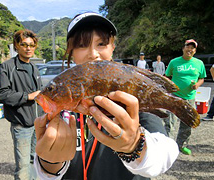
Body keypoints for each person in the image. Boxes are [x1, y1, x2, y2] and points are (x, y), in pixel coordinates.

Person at [33, 12, 179, 180]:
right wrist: (50, 163)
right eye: (82, 45)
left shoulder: (126, 87)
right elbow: (47, 172)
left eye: (101, 44)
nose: (93, 53)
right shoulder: (62, 96)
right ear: (71, 50)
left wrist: (135, 146)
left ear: (113, 47)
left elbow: (165, 153)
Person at [0, 29, 44, 180]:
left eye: (31, 45)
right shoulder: (8, 67)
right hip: (21, 124)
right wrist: (27, 96)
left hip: (37, 123)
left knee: (35, 162)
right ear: (16, 46)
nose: (28, 48)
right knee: (23, 167)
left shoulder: (34, 68)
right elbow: (0, 93)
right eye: (24, 44)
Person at [164, 39, 206, 155]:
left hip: (190, 98)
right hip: (174, 96)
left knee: (188, 122)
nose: (190, 49)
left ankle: (182, 145)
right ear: (183, 48)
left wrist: (197, 84)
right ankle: (169, 147)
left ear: (195, 51)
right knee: (170, 122)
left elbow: (202, 78)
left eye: (192, 48)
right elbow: (167, 77)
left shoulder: (199, 63)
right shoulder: (174, 62)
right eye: (188, 47)